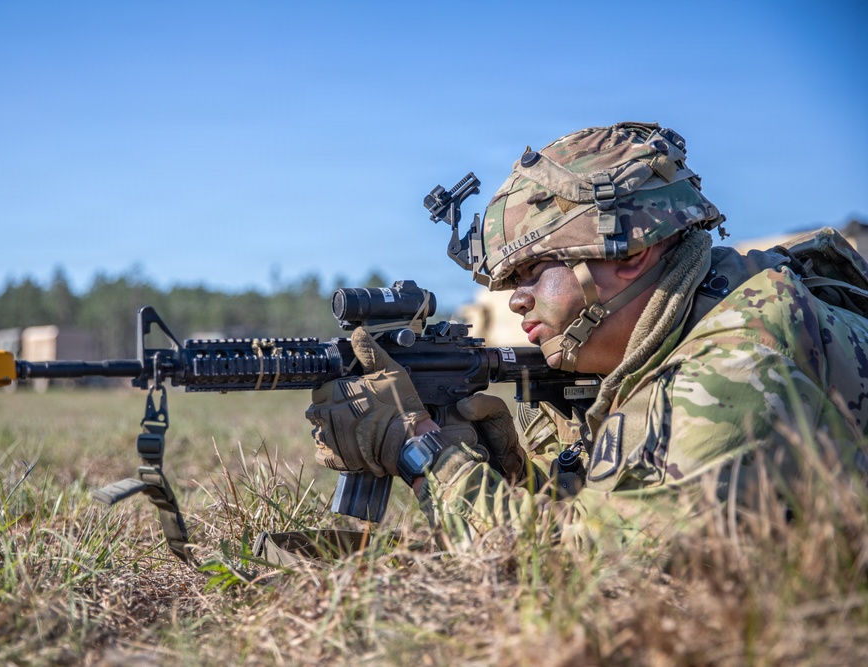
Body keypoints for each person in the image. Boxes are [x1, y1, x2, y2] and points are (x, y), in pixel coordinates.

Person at [305, 122, 868, 548]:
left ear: (631, 252)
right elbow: (616, 508)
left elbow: (594, 572)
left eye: (533, 272)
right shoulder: (690, 320)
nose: (516, 298)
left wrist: (421, 450)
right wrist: (511, 469)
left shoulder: (734, 364)